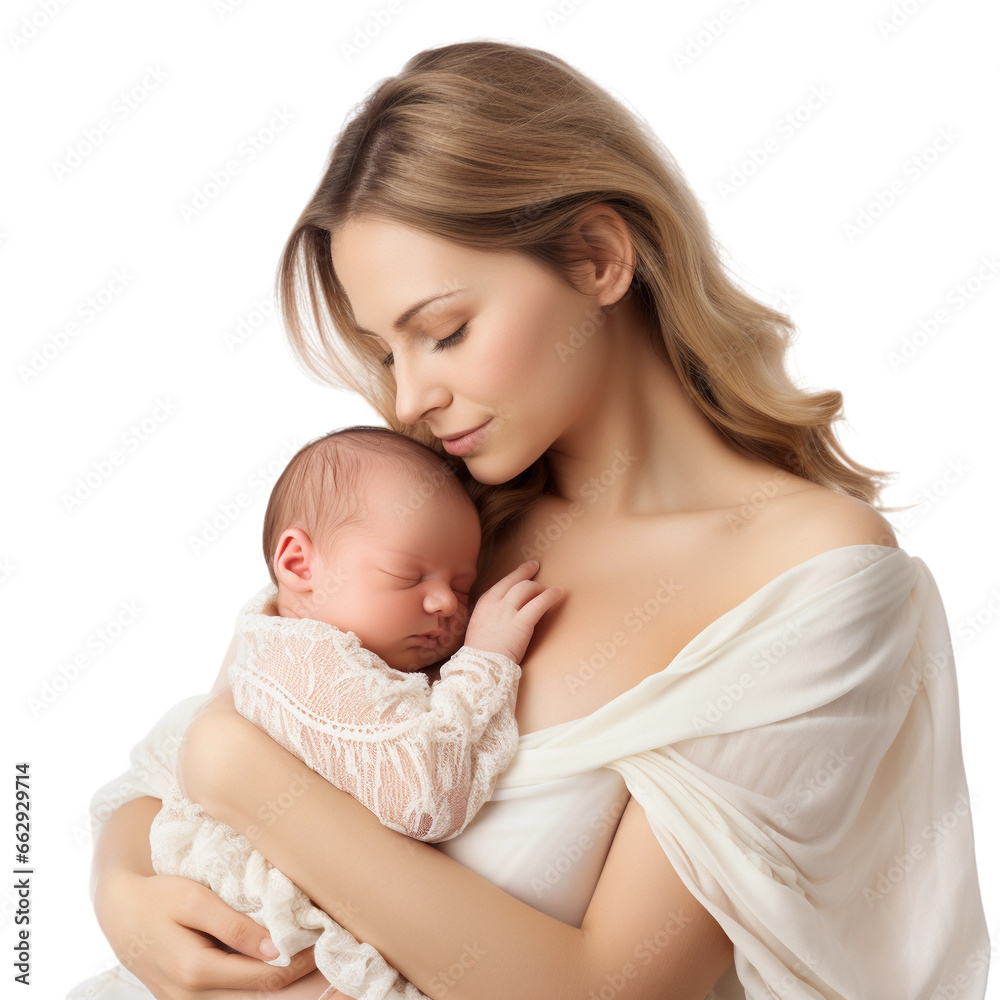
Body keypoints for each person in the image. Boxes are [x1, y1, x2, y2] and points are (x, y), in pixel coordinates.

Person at [85, 39, 990, 1000]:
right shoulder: (435, 529)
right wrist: (119, 899)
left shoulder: (809, 575)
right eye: (385, 353)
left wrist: (239, 774)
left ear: (599, 258)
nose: (406, 400)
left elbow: (603, 988)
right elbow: (165, 778)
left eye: (444, 332)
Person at [70, 426, 562, 1000]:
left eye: (463, 583)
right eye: (409, 576)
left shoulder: (294, 639)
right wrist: (484, 661)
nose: (447, 604)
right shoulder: (308, 661)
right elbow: (425, 798)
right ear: (299, 564)